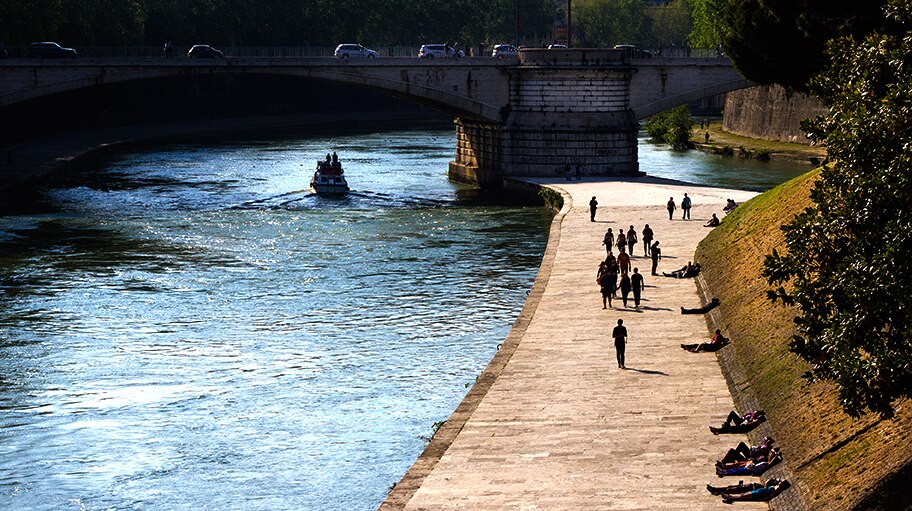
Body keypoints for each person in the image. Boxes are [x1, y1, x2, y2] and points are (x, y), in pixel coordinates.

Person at [720, 479, 790, 504]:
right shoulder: (776, 486)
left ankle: (729, 497)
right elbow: (772, 480)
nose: (780, 482)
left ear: (783, 485)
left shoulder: (778, 490)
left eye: (782, 482)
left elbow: (771, 496)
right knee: (743, 494)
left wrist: (763, 499)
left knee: (743, 496)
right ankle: (729, 498)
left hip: (759, 494)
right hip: (760, 491)